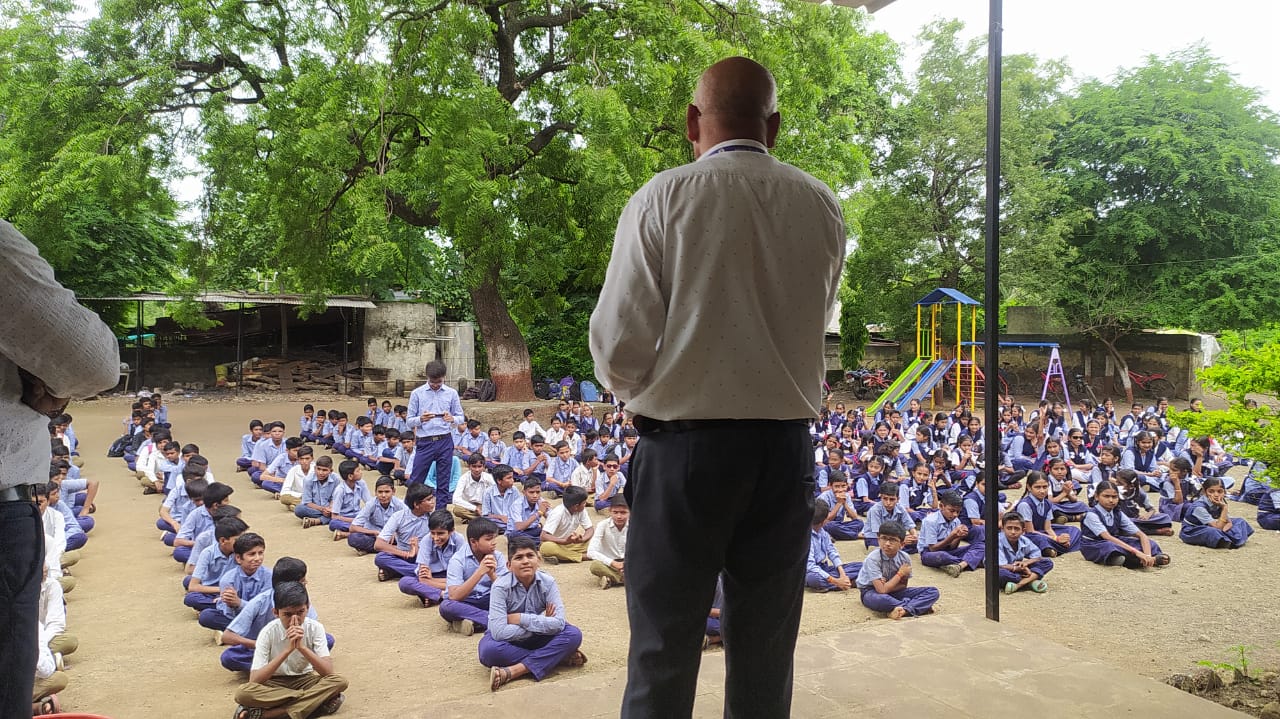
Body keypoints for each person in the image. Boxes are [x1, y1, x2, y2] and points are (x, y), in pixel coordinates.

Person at [590, 56, 844, 719]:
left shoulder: (663, 198)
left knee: (663, 653)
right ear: (776, 126)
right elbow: (817, 324)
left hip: (685, 454)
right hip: (785, 453)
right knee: (765, 658)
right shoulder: (818, 203)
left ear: (691, 123)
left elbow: (618, 351)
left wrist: (669, 379)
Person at [481, 535, 587, 691]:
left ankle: (514, 671)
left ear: (539, 560)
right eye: (519, 557)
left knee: (573, 634)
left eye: (530, 556)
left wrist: (519, 618)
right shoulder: (500, 587)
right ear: (509, 565)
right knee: (488, 651)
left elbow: (558, 623)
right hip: (512, 640)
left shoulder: (548, 582)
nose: (525, 561)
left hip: (537, 634)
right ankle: (558, 657)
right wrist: (542, 623)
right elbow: (498, 632)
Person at [232, 581, 347, 719]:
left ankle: (271, 714)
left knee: (339, 682)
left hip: (304, 680)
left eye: (300, 612)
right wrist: (288, 650)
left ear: (308, 608)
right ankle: (312, 703)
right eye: (287, 614)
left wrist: (301, 647)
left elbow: (328, 672)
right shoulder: (268, 632)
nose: (295, 619)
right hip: (274, 683)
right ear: (276, 612)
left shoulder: (315, 628)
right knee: (243, 693)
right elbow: (255, 680)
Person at [407, 360, 465, 507]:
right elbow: (409, 421)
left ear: (444, 377)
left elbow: (460, 417)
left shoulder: (452, 393)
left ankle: (440, 514)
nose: (435, 385)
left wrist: (452, 419)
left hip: (445, 440)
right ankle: (411, 510)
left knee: (443, 480)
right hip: (425, 440)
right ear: (427, 377)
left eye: (439, 382)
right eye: (433, 382)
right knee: (416, 478)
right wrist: (421, 419)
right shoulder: (417, 394)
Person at [854, 520, 939, 619]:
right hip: (870, 591)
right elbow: (881, 591)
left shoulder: (905, 558)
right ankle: (915, 607)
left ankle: (902, 610)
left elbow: (903, 586)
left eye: (893, 540)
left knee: (933, 591)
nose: (887, 543)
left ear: (902, 544)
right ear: (878, 540)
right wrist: (899, 574)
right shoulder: (873, 558)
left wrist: (887, 586)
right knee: (881, 599)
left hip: (893, 592)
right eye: (884, 538)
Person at [1080, 481, 1171, 568]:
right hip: (1095, 544)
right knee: (1109, 547)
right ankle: (1143, 560)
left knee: (1151, 543)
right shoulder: (1091, 514)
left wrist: (1148, 555)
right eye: (1106, 496)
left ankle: (1146, 560)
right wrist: (1136, 552)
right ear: (1096, 496)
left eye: (1114, 497)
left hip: (1116, 541)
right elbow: (1107, 537)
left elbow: (1140, 535)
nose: (1111, 500)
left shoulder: (1118, 513)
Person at [441, 518, 507, 635]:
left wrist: (492, 575)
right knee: (446, 606)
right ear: (473, 542)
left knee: (515, 602)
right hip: (467, 601)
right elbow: (454, 596)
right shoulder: (457, 560)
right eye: (488, 539)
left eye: (494, 538)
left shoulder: (498, 557)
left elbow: (507, 592)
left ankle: (473, 623)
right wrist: (480, 572)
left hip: (489, 598)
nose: (494, 542)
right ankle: (496, 621)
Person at [398, 509, 466, 607]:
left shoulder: (459, 540)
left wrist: (431, 581)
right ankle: (443, 595)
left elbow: (463, 574)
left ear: (451, 531)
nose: (436, 538)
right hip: (436, 576)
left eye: (440, 533)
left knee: (466, 582)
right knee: (405, 582)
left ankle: (430, 594)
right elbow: (423, 579)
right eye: (432, 533)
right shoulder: (426, 540)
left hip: (451, 575)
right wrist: (432, 580)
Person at [372, 483, 435, 581]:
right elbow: (378, 544)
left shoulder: (433, 516)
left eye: (432, 498)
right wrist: (405, 554)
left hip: (425, 556)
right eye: (429, 500)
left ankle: (394, 571)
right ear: (416, 505)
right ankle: (420, 572)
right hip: (404, 554)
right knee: (380, 558)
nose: (433, 502)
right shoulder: (399, 517)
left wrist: (418, 550)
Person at [918, 491, 984, 578]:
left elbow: (953, 547)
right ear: (941, 506)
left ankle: (960, 565)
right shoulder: (931, 521)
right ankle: (970, 561)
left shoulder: (956, 521)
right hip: (929, 553)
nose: (955, 515)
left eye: (958, 512)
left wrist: (959, 537)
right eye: (952, 511)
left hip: (949, 551)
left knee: (981, 545)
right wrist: (952, 536)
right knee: (942, 556)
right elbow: (933, 548)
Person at [1179, 478, 1255, 549]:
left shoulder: (1220, 503)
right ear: (1204, 492)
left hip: (1215, 525)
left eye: (1220, 491)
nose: (1216, 495)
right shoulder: (1199, 507)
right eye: (1211, 491)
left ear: (1224, 492)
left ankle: (1225, 539)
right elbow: (1218, 527)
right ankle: (1231, 540)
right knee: (1211, 532)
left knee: (1240, 521)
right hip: (1194, 530)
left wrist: (1223, 529)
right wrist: (1224, 509)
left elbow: (1229, 522)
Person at [804, 500, 859, 592]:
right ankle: (846, 583)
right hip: (809, 572)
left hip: (824, 568)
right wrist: (836, 581)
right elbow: (810, 566)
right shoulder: (806, 536)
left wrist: (842, 574)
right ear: (824, 521)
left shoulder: (823, 532)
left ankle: (842, 581)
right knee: (814, 579)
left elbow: (832, 552)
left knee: (860, 566)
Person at [995, 511, 1052, 594]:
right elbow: (1000, 565)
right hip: (1005, 570)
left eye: (1017, 529)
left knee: (1047, 562)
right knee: (999, 573)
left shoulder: (1024, 541)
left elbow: (1037, 556)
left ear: (1023, 531)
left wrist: (1026, 563)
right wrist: (1021, 569)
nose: (1013, 532)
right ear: (1002, 529)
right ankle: (1031, 581)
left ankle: (1018, 585)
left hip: (1020, 569)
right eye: (1009, 528)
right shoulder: (996, 541)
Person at [539, 486, 594, 564]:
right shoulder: (558, 513)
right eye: (584, 503)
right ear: (576, 506)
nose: (585, 505)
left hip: (571, 544)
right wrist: (564, 541)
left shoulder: (581, 511)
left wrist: (582, 539)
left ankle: (562, 556)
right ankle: (582, 556)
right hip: (556, 543)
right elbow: (543, 536)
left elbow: (590, 529)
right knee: (546, 548)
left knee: (595, 541)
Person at [587, 495, 629, 589]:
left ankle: (612, 579)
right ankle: (626, 579)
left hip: (630, 564)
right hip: (610, 564)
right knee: (595, 566)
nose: (619, 516)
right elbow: (591, 552)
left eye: (623, 512)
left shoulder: (635, 525)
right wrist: (613, 563)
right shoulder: (603, 525)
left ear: (630, 511)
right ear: (609, 511)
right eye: (615, 512)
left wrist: (627, 563)